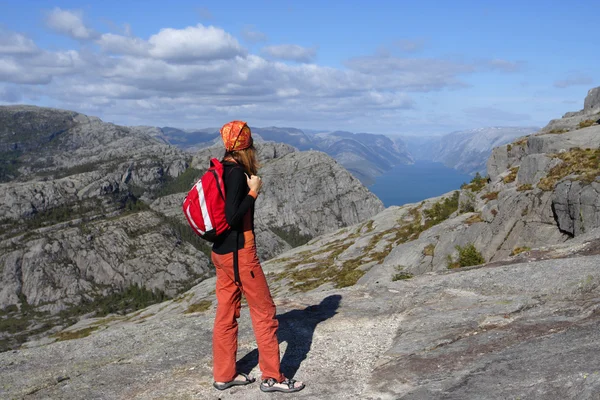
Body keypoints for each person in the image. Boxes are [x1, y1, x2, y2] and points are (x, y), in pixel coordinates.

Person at [211, 121, 305, 394]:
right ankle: (272, 377)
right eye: (251, 145)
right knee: (264, 313)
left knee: (226, 313)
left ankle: (224, 374)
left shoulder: (219, 169)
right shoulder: (237, 174)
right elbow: (232, 217)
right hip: (241, 255)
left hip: (220, 253)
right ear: (246, 147)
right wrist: (254, 192)